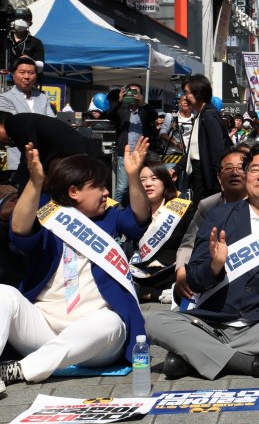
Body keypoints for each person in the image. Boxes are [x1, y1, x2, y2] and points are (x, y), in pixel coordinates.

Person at [145, 143, 259, 380]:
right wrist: (214, 266)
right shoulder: (219, 216)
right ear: (246, 178)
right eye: (254, 170)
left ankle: (195, 358)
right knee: (156, 321)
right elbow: (194, 281)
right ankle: (252, 364)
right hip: (210, 324)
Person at [0, 138, 151, 386]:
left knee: (110, 321)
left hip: (95, 341)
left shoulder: (111, 217)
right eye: (98, 187)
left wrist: (133, 176)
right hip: (44, 329)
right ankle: (33, 362)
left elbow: (139, 219)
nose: (106, 192)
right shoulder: (50, 216)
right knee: (3, 293)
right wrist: (35, 181)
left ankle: (19, 370)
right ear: (74, 192)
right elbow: (19, 230)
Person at [173, 146, 250, 303]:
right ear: (219, 177)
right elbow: (189, 243)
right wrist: (181, 272)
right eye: (228, 168)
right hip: (208, 274)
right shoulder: (208, 205)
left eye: (241, 168)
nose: (235, 173)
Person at [131, 155, 195, 303]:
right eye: (142, 180)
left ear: (165, 182)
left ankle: (151, 295)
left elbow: (192, 245)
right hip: (140, 274)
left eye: (154, 179)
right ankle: (150, 295)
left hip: (170, 273)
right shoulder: (131, 214)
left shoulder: (184, 210)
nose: (148, 184)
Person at [0, 112, 96, 190]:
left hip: (73, 155)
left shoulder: (13, 122)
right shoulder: (23, 121)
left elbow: (30, 156)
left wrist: (20, 187)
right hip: (78, 152)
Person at [0, 56, 56, 182]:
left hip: (43, 159)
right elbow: (16, 127)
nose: (26, 77)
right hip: (18, 160)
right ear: (13, 75)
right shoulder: (4, 98)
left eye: (31, 73)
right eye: (22, 72)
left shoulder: (42, 97)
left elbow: (52, 123)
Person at [178, 74, 233, 201]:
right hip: (199, 172)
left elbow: (217, 149)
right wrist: (178, 168)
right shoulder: (200, 115)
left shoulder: (209, 116)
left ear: (199, 93)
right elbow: (193, 150)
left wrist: (220, 176)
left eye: (187, 93)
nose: (185, 97)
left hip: (208, 175)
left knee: (206, 211)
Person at [106, 83, 158, 203]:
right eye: (131, 92)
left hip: (142, 153)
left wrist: (143, 103)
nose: (133, 95)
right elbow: (109, 115)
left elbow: (154, 115)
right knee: (122, 187)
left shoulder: (144, 110)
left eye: (136, 92)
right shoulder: (122, 108)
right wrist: (119, 101)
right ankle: (117, 210)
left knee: (141, 184)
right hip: (125, 153)